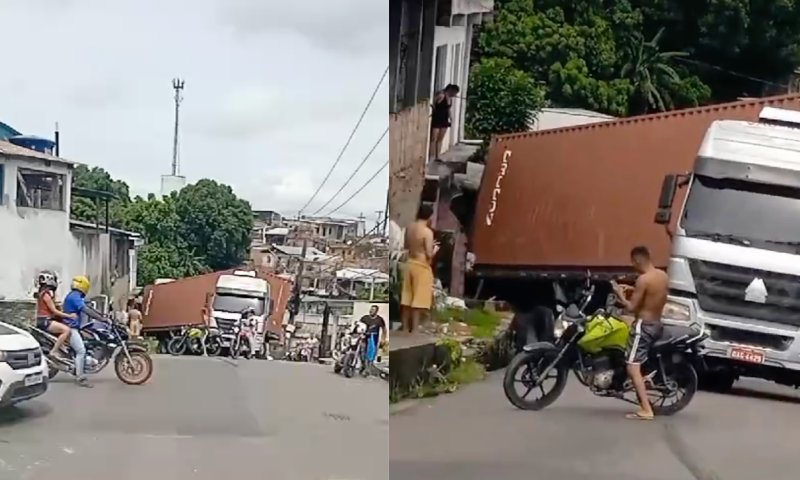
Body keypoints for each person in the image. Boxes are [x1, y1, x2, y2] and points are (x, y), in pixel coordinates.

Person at [611, 245, 669, 421]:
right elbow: (652, 296)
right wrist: (630, 289)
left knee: (632, 365)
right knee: (635, 360)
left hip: (643, 326)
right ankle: (644, 382)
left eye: (632, 262)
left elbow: (631, 308)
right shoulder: (662, 276)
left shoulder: (643, 280)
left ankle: (645, 409)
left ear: (637, 260)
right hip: (656, 323)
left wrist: (619, 294)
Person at [400, 204, 439, 334]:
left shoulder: (410, 228)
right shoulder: (427, 232)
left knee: (406, 298)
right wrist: (435, 249)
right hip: (421, 265)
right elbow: (428, 253)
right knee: (419, 299)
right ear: (429, 216)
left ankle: (405, 328)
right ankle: (415, 329)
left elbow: (406, 246)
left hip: (409, 263)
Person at [62, 275, 105, 388]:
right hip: (70, 328)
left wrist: (100, 315)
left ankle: (84, 365)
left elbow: (88, 307)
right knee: (81, 351)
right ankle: (80, 377)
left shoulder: (74, 296)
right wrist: (101, 318)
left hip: (74, 327)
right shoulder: (74, 297)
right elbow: (85, 310)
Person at [34, 271, 75, 358]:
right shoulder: (46, 295)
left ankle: (62, 347)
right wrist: (69, 316)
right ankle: (54, 351)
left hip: (43, 320)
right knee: (66, 330)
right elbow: (54, 311)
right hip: (45, 321)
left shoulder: (42, 293)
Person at [429, 84, 460, 162]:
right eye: (455, 93)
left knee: (440, 138)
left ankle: (437, 156)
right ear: (451, 90)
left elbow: (448, 109)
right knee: (434, 138)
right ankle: (431, 155)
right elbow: (433, 103)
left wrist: (451, 118)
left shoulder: (450, 99)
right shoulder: (441, 95)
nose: (455, 95)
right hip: (437, 118)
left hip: (444, 119)